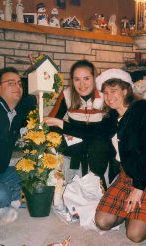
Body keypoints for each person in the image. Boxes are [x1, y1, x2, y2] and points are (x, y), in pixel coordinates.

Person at [44, 68, 146, 243]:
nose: (109, 97)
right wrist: (60, 123)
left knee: (134, 235)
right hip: (128, 174)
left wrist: (139, 188)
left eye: (113, 91)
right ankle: (140, 211)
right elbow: (91, 132)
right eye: (105, 93)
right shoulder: (113, 116)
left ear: (125, 90)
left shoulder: (141, 109)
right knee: (102, 221)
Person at [48, 60, 114, 188]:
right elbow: (52, 121)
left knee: (98, 146)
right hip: (76, 140)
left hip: (98, 140)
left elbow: (105, 131)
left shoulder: (105, 96)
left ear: (94, 78)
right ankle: (70, 187)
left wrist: (65, 126)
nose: (82, 84)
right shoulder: (66, 95)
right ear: (72, 80)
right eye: (77, 79)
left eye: (86, 78)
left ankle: (98, 187)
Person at [0, 67, 37, 215]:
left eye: (20, 83)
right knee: (2, 194)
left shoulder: (14, 112)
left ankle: (8, 198)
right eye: (11, 83)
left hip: (0, 170)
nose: (18, 87)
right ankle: (7, 197)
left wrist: (37, 72)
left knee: (30, 175)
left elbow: (33, 98)